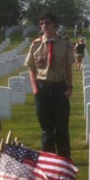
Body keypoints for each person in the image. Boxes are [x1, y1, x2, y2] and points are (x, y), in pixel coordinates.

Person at [24, 11, 74, 159]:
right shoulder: (36, 45)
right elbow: (31, 68)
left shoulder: (64, 44)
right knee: (46, 129)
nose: (44, 25)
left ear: (54, 24)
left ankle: (64, 160)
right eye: (41, 23)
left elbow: (69, 67)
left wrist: (69, 87)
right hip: (42, 88)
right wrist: (35, 90)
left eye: (47, 22)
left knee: (62, 128)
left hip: (60, 87)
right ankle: (49, 160)